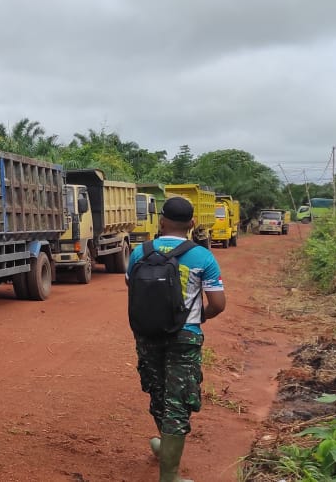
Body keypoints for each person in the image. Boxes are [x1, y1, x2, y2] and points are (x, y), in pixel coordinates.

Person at [125, 197, 226, 482]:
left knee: (158, 393)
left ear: (161, 221)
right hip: (185, 337)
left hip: (147, 334)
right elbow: (218, 304)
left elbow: (132, 288)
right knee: (178, 400)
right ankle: (169, 476)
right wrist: (198, 316)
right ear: (192, 224)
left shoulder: (139, 252)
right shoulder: (203, 257)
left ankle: (163, 445)